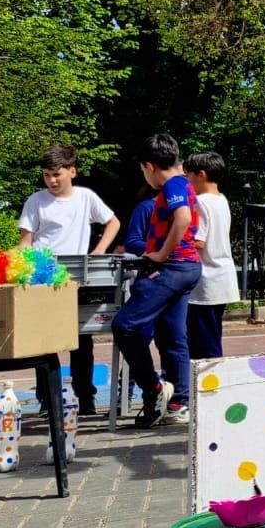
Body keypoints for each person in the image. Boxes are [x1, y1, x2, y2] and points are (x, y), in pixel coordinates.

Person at [17, 143, 120, 415]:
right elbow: (25, 242)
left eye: (57, 174)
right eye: (47, 175)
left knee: (80, 340)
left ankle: (85, 397)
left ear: (71, 171)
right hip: (43, 277)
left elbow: (113, 221)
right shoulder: (36, 201)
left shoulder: (86, 197)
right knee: (44, 341)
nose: (52, 180)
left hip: (76, 276)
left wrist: (99, 251)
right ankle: (46, 399)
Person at [109, 134, 200, 428]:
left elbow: (183, 219)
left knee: (124, 325)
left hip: (172, 266)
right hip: (186, 267)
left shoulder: (172, 184)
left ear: (149, 166)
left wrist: (160, 254)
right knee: (173, 334)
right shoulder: (184, 182)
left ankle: (154, 388)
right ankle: (178, 403)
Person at [184, 151, 238, 360]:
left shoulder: (199, 202)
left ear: (201, 175)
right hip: (221, 276)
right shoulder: (221, 199)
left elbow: (199, 241)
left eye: (188, 176)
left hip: (206, 281)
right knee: (212, 337)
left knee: (202, 344)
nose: (187, 182)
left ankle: (207, 387)